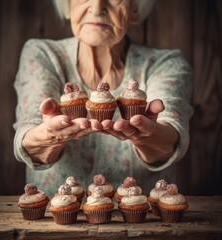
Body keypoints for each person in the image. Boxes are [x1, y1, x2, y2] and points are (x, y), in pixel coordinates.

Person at [13, 0, 193, 197]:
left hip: (145, 220)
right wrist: (50, 136)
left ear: (134, 9)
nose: (97, 7)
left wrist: (149, 136)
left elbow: (172, 134)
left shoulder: (167, 64)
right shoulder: (41, 54)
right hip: (52, 220)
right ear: (68, 6)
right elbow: (28, 135)